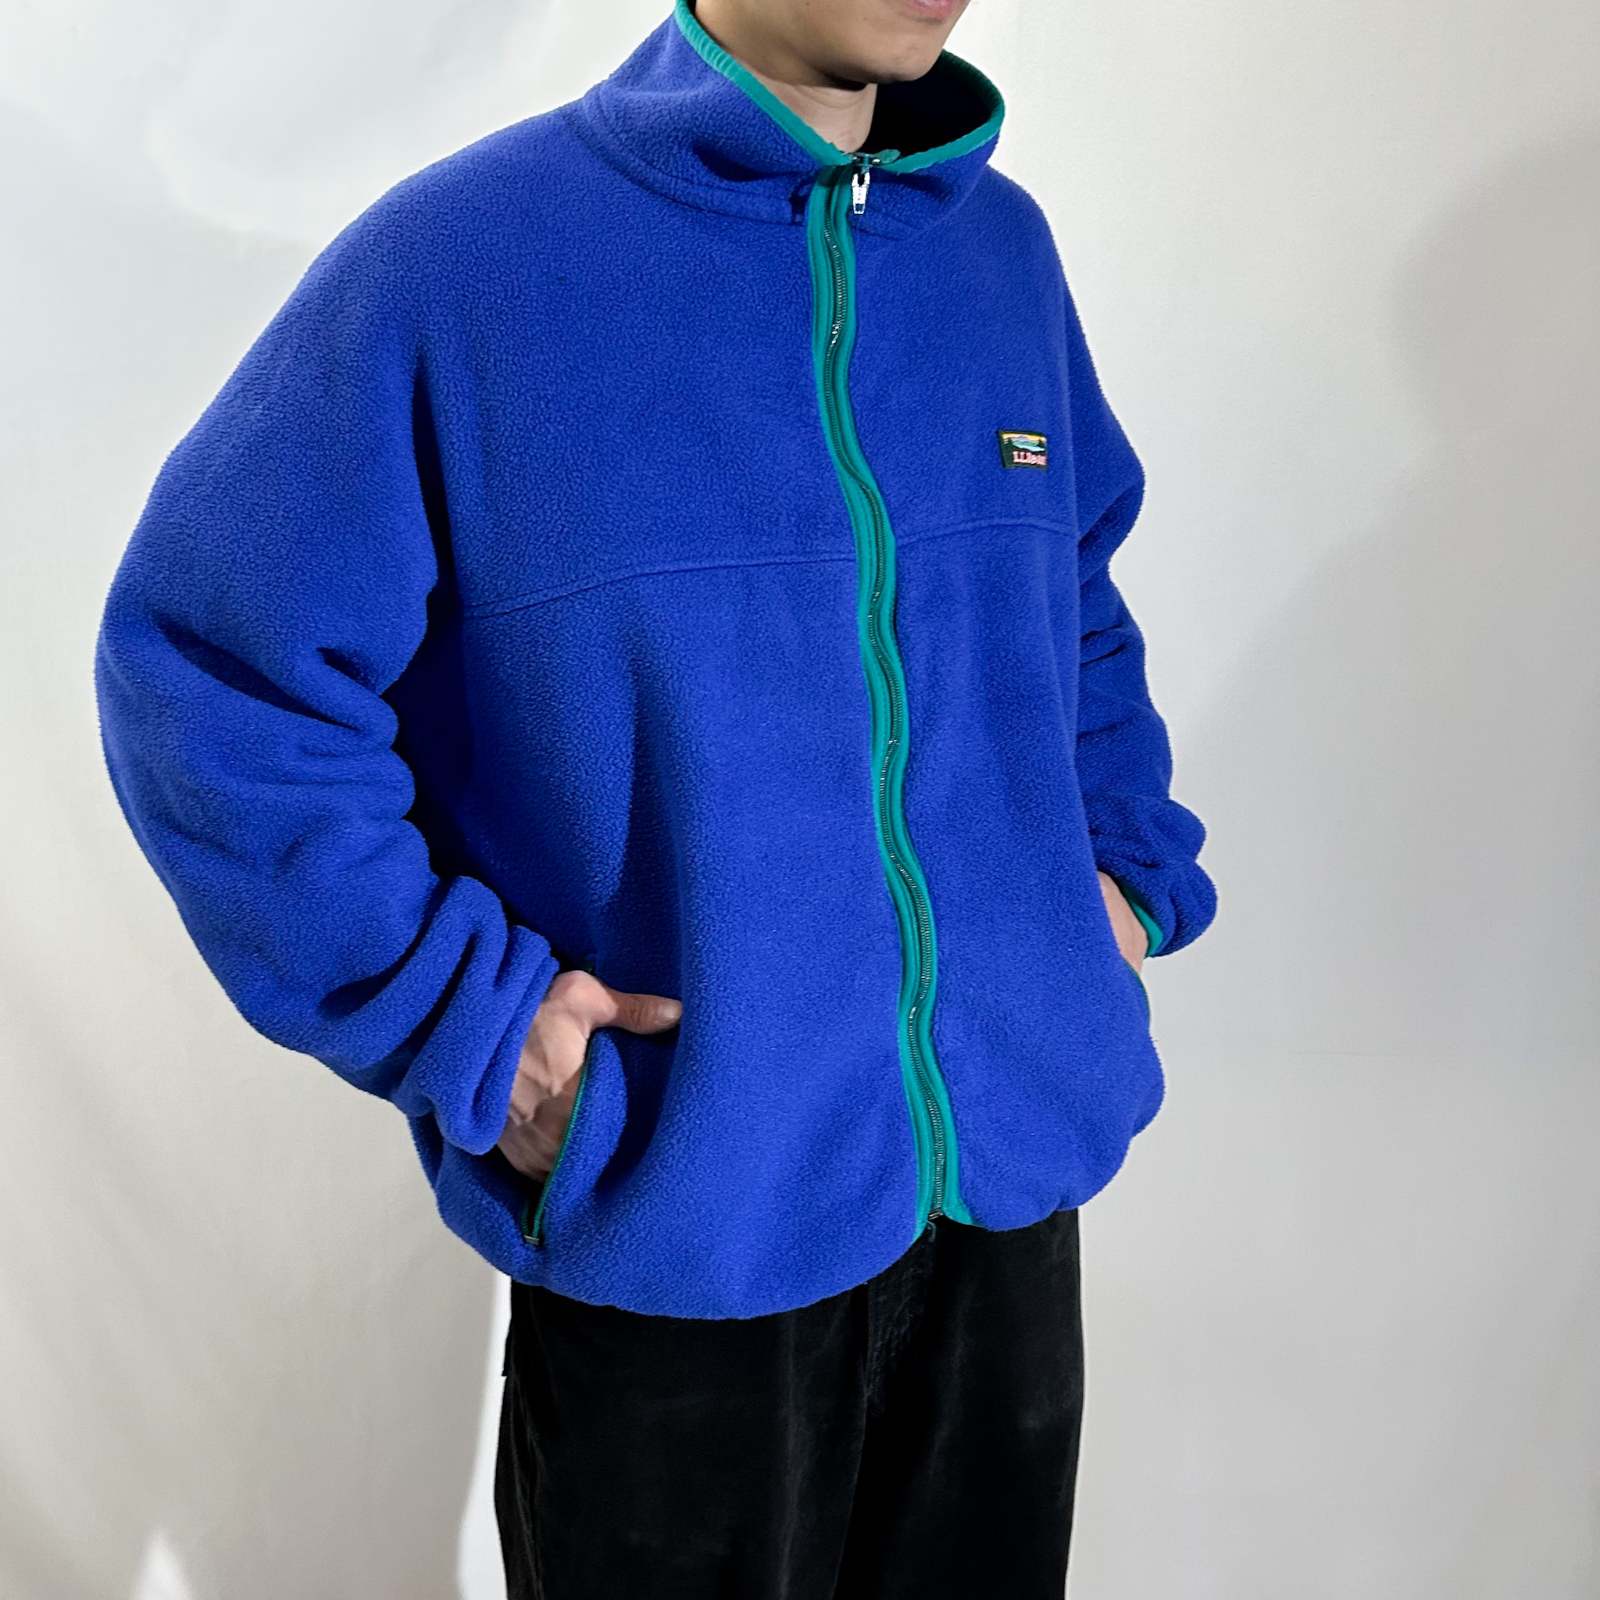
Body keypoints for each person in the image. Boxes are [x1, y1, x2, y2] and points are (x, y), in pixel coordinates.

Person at [92, 0, 1217, 1592]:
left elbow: (1075, 595)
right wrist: (472, 1022)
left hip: (1005, 1218)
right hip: (679, 1223)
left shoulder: (997, 256)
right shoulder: (471, 263)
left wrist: (1120, 877)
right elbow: (212, 667)